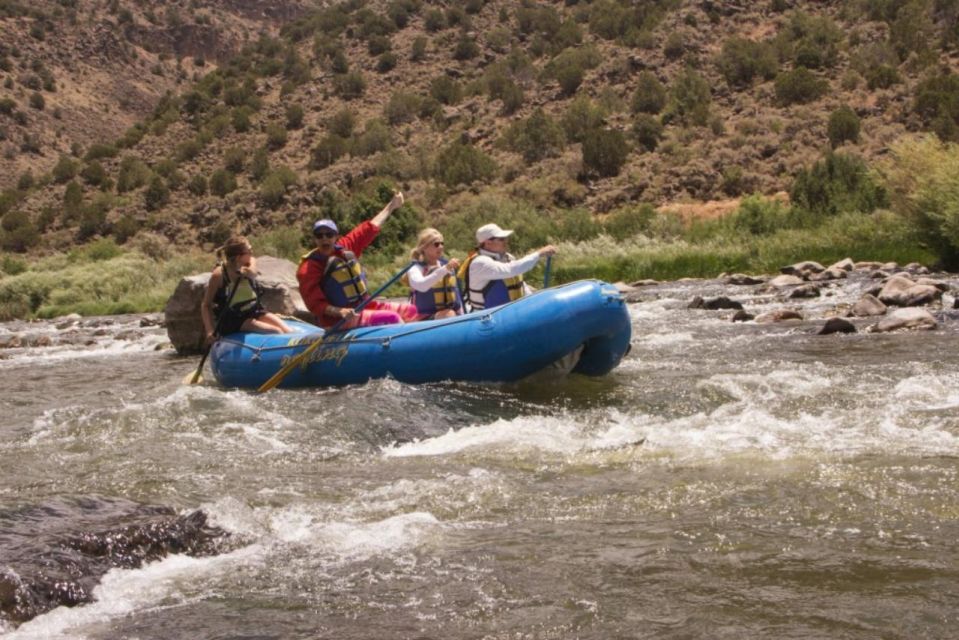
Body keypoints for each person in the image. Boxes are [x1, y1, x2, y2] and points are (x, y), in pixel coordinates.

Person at [297, 191, 418, 329]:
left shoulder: (344, 248)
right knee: (392, 318)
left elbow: (369, 228)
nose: (324, 238)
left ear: (336, 237)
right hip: (336, 320)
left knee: (411, 310)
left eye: (329, 234)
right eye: (319, 235)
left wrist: (392, 205)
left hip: (363, 306)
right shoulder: (309, 267)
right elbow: (314, 303)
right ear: (314, 239)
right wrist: (339, 311)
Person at [201, 236, 292, 343]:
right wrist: (209, 331)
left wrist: (245, 272)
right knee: (276, 331)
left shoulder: (250, 262)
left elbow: (253, 272)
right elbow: (205, 305)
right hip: (234, 319)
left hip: (254, 310)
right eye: (249, 250)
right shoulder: (219, 274)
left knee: (288, 330)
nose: (252, 252)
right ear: (239, 257)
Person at [458, 223, 557, 311]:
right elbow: (511, 270)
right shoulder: (480, 262)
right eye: (501, 239)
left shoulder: (508, 257)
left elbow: (519, 284)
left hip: (511, 313)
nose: (506, 241)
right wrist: (539, 254)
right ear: (488, 243)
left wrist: (533, 300)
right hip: (486, 316)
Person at [405, 228, 463, 321]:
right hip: (424, 318)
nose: (440, 247)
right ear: (424, 247)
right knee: (449, 314)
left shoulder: (445, 265)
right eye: (436, 244)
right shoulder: (416, 269)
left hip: (451, 315)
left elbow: (457, 296)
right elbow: (421, 285)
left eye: (442, 243)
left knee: (451, 314)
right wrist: (445, 269)